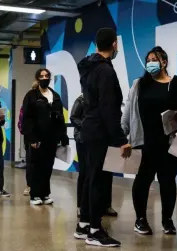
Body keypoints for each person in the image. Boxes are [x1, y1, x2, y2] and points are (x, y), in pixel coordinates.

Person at [73, 28, 130, 247]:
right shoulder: (105, 71)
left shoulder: (89, 67)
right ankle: (95, 231)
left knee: (90, 178)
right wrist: (121, 139)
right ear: (114, 45)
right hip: (100, 132)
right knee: (98, 181)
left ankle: (84, 224)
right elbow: (109, 108)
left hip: (89, 130)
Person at [121, 46, 177, 236]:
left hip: (168, 142)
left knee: (167, 183)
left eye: (154, 59)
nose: (150, 63)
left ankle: (167, 220)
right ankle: (140, 219)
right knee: (142, 181)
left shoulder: (173, 84)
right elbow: (128, 110)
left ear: (164, 62)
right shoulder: (139, 84)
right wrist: (121, 134)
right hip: (143, 142)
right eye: (148, 60)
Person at [22, 69, 69, 205]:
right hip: (37, 137)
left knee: (48, 166)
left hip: (51, 137)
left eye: (47, 76)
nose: (44, 78)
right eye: (41, 76)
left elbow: (60, 117)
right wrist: (31, 138)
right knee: (36, 166)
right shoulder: (31, 95)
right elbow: (27, 118)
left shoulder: (55, 96)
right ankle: (35, 194)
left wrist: (63, 135)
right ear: (37, 78)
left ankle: (45, 193)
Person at [70, 94, 118, 218]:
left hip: (105, 140)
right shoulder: (81, 99)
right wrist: (88, 127)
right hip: (84, 140)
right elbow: (74, 117)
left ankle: (106, 204)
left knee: (107, 173)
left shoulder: (108, 100)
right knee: (85, 172)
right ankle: (81, 206)